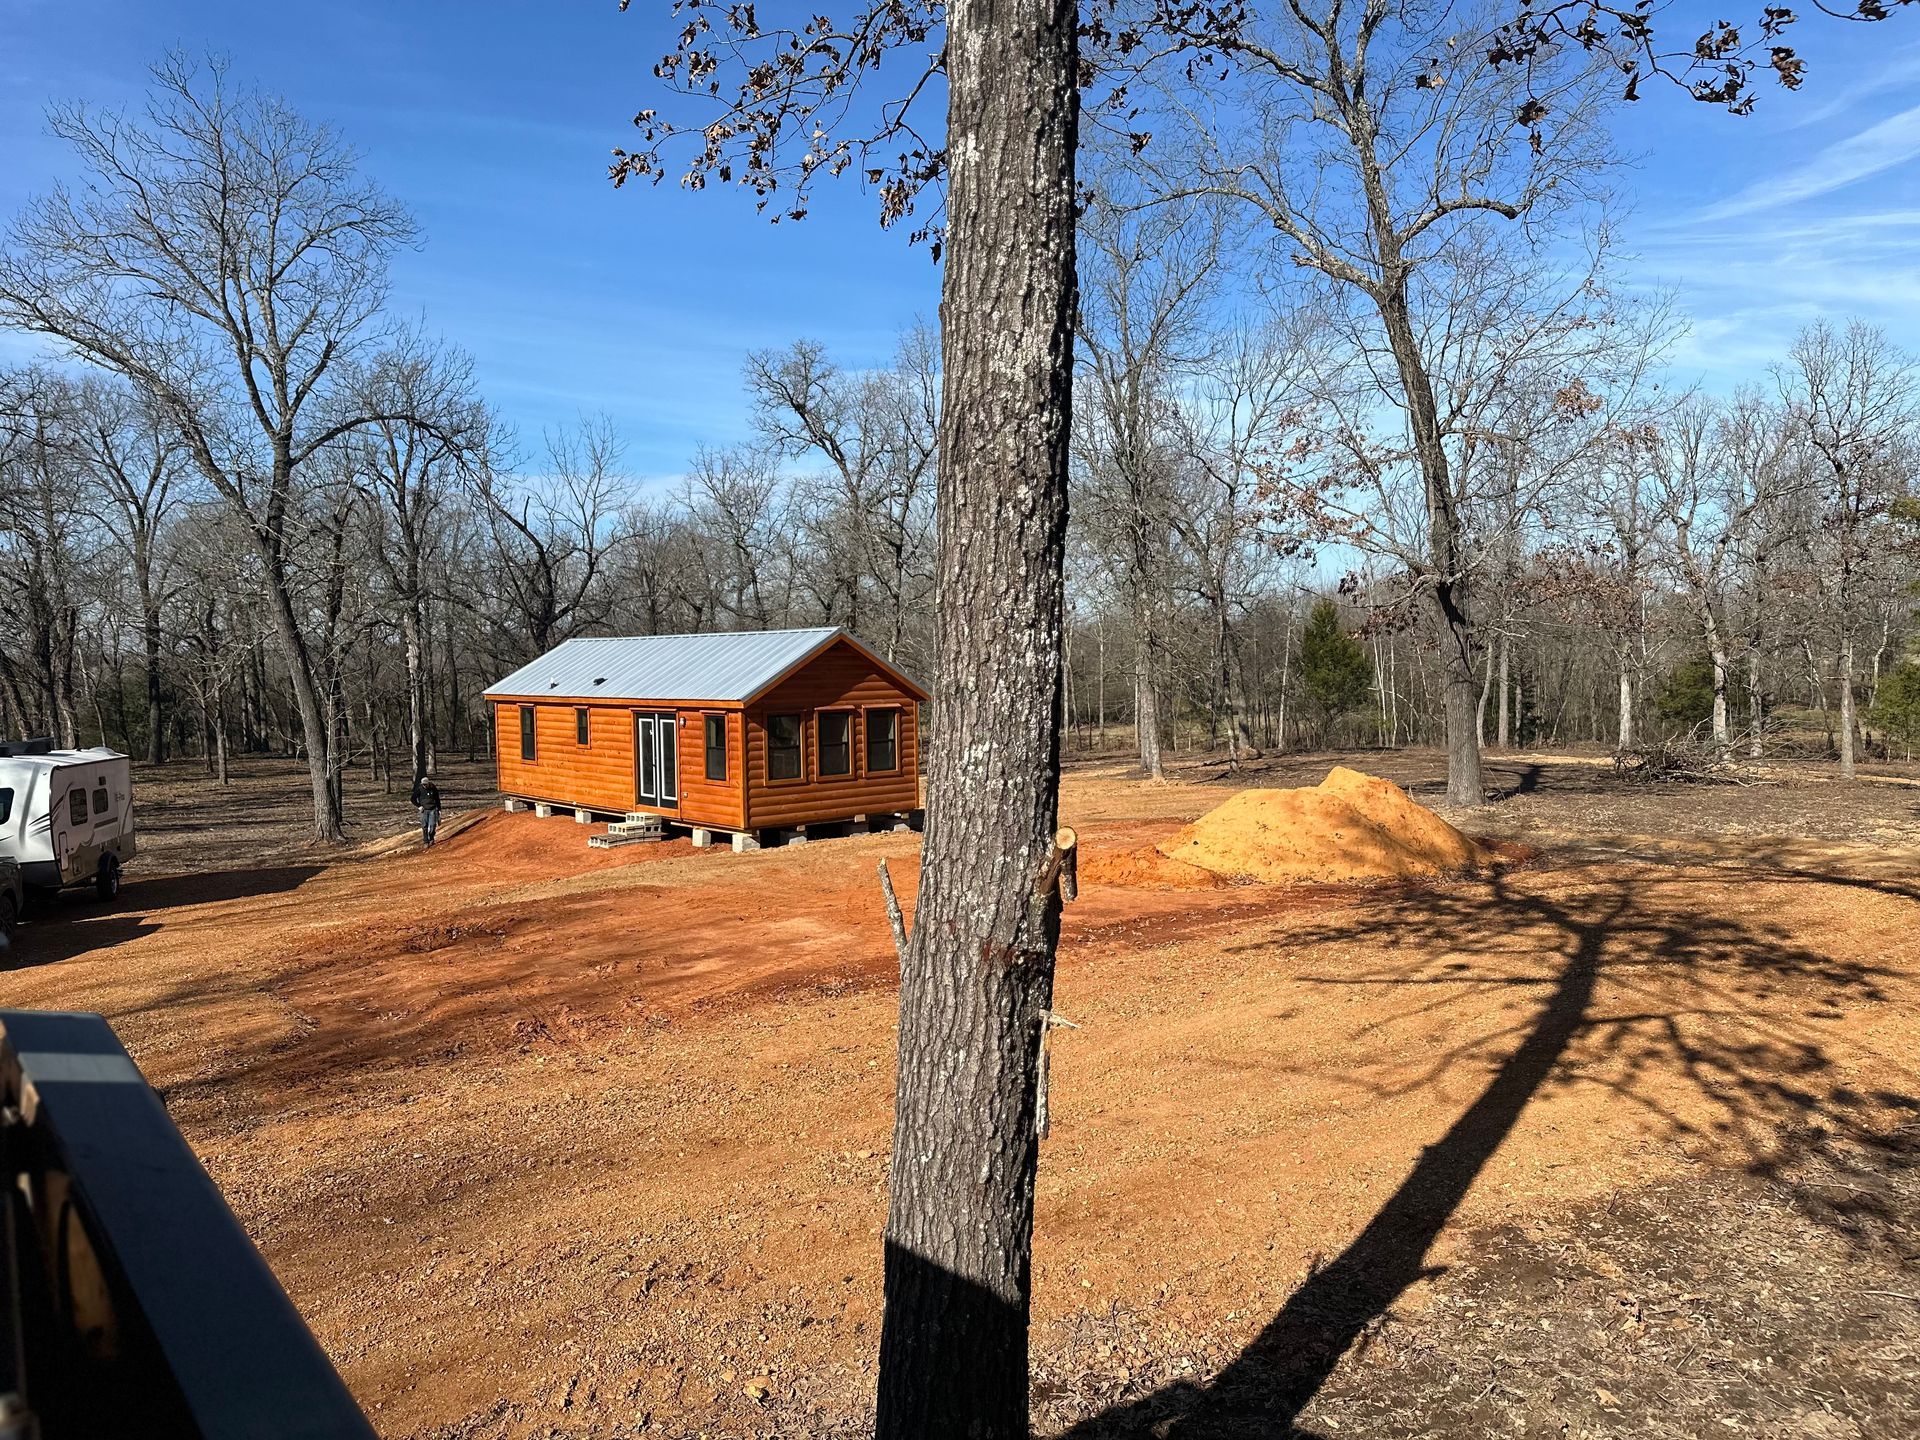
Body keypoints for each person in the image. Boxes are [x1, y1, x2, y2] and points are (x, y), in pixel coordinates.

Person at [419, 779, 442, 847]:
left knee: (432, 825)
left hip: (433, 809)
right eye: (423, 784)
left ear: (428, 783)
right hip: (424, 810)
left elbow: (437, 799)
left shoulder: (433, 788)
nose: (424, 786)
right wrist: (419, 806)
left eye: (425, 784)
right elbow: (413, 799)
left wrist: (439, 809)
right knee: (424, 826)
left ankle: (431, 837)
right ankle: (426, 841)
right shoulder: (419, 789)